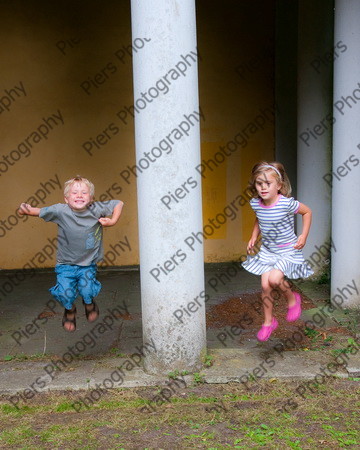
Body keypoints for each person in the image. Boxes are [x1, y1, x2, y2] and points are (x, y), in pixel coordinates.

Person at [18, 176, 124, 332]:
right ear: (66, 199)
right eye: (74, 193)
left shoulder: (96, 209)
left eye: (84, 192)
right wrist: (24, 209)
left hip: (88, 264)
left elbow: (119, 203)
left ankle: (89, 303)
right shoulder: (60, 211)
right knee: (65, 293)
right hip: (65, 264)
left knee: (87, 289)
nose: (79, 195)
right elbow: (38, 211)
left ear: (91, 198)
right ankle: (69, 311)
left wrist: (113, 221)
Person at [242, 161, 313, 341]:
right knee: (265, 286)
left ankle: (292, 299)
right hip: (268, 251)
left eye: (268, 184)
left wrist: (303, 236)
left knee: (274, 279)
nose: (263, 188)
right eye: (259, 183)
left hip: (287, 250)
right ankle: (268, 322)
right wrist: (253, 237)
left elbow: (307, 212)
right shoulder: (256, 204)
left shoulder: (286, 203)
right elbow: (259, 219)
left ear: (279, 185)